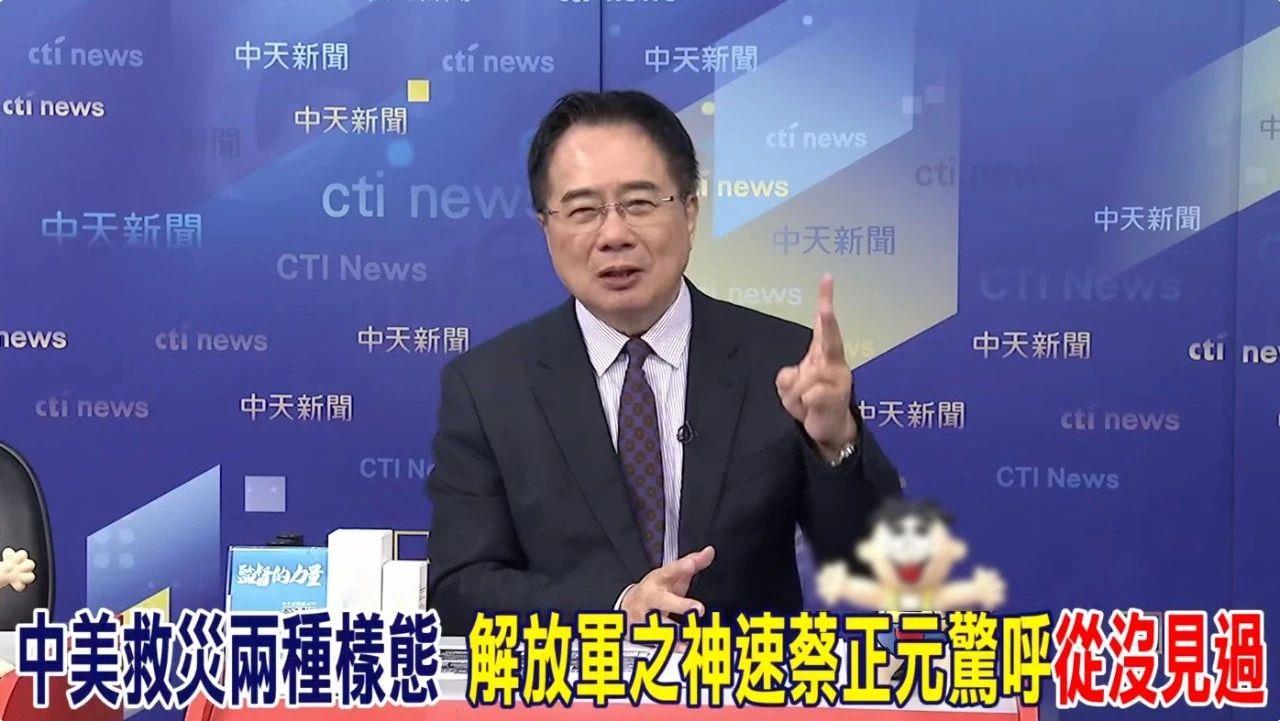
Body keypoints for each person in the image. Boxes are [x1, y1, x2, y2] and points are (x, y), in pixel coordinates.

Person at [426, 89, 902, 636]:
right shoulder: (489, 387)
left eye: (640, 204)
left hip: (742, 680)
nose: (613, 235)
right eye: (582, 211)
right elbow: (460, 589)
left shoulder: (783, 363)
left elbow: (876, 568)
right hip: (572, 680)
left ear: (690, 212)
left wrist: (835, 442)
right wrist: (615, 607)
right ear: (546, 230)